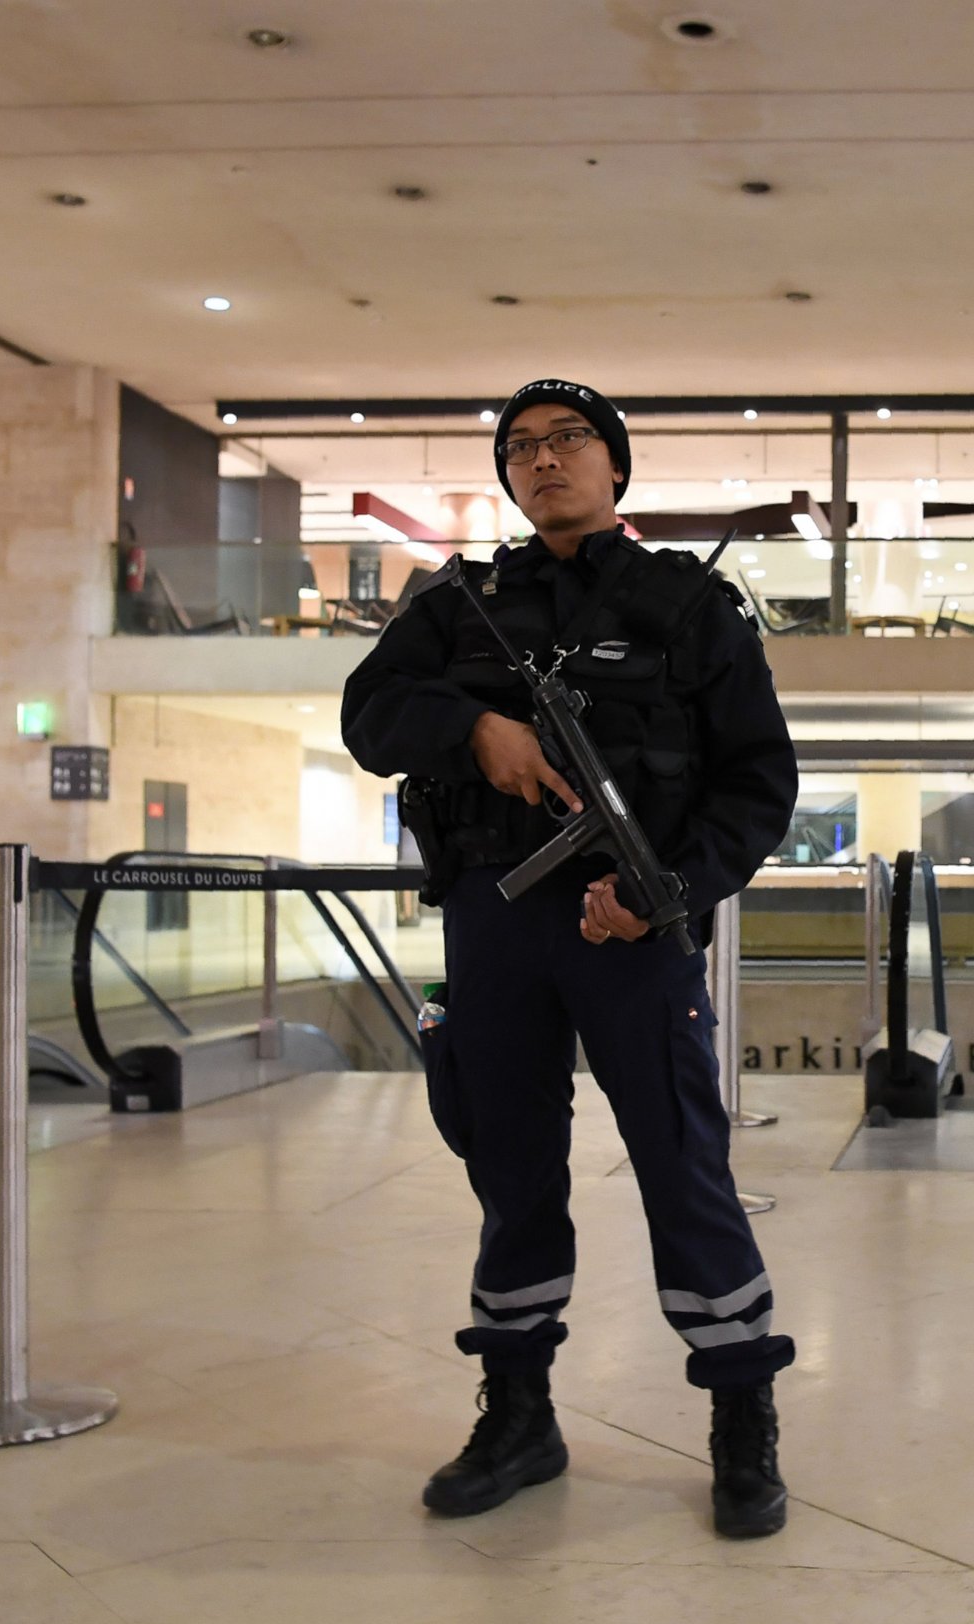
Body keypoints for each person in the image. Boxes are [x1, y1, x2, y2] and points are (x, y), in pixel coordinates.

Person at [341, 379, 800, 1536]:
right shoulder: (459, 603)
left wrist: (667, 893)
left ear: (615, 465)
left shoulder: (687, 605)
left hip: (631, 928)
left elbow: (758, 784)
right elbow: (369, 712)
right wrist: (471, 729)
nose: (543, 461)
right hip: (496, 921)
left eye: (568, 441)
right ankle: (520, 1409)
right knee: (511, 1170)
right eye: (520, 447)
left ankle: (742, 1413)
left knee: (683, 1165)